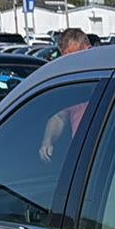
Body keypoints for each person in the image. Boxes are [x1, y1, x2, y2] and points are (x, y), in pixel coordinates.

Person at [38, 29, 92, 163]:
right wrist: (47, 141)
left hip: (105, 159)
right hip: (81, 158)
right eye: (66, 60)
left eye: (75, 58)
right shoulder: (71, 83)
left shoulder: (107, 76)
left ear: (88, 49)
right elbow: (60, 116)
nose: (70, 65)